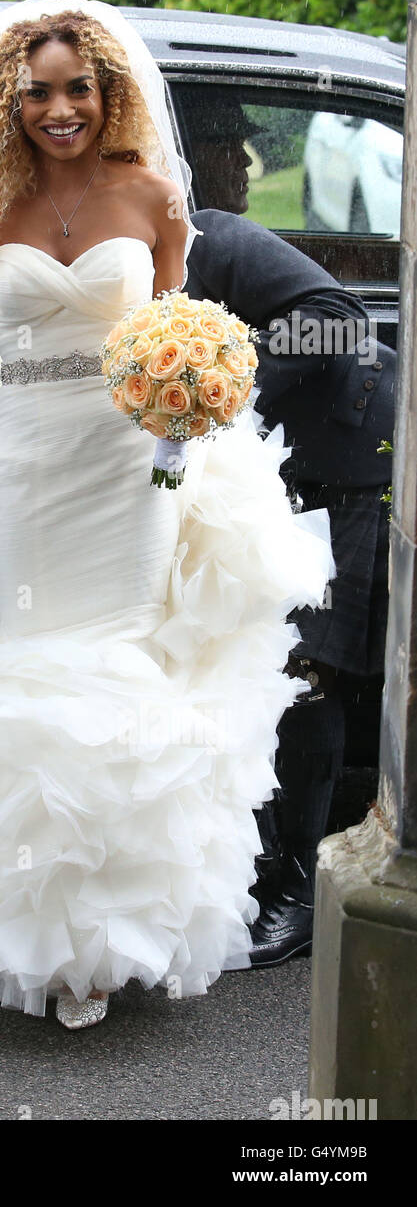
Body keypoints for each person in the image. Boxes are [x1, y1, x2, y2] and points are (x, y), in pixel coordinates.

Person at [0, 0, 332, 1029]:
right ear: (10, 99)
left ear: (108, 92)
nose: (60, 108)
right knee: (37, 665)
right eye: (38, 91)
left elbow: (174, 330)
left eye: (78, 87)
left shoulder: (157, 196)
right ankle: (39, 934)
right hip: (27, 469)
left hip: (132, 472)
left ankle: (116, 937)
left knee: (123, 666)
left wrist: (185, 413)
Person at [185, 204, 394, 966]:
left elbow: (335, 317)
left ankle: (303, 884)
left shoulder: (207, 234)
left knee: (303, 666)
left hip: (335, 459)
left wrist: (216, 384)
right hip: (237, 473)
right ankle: (248, 859)